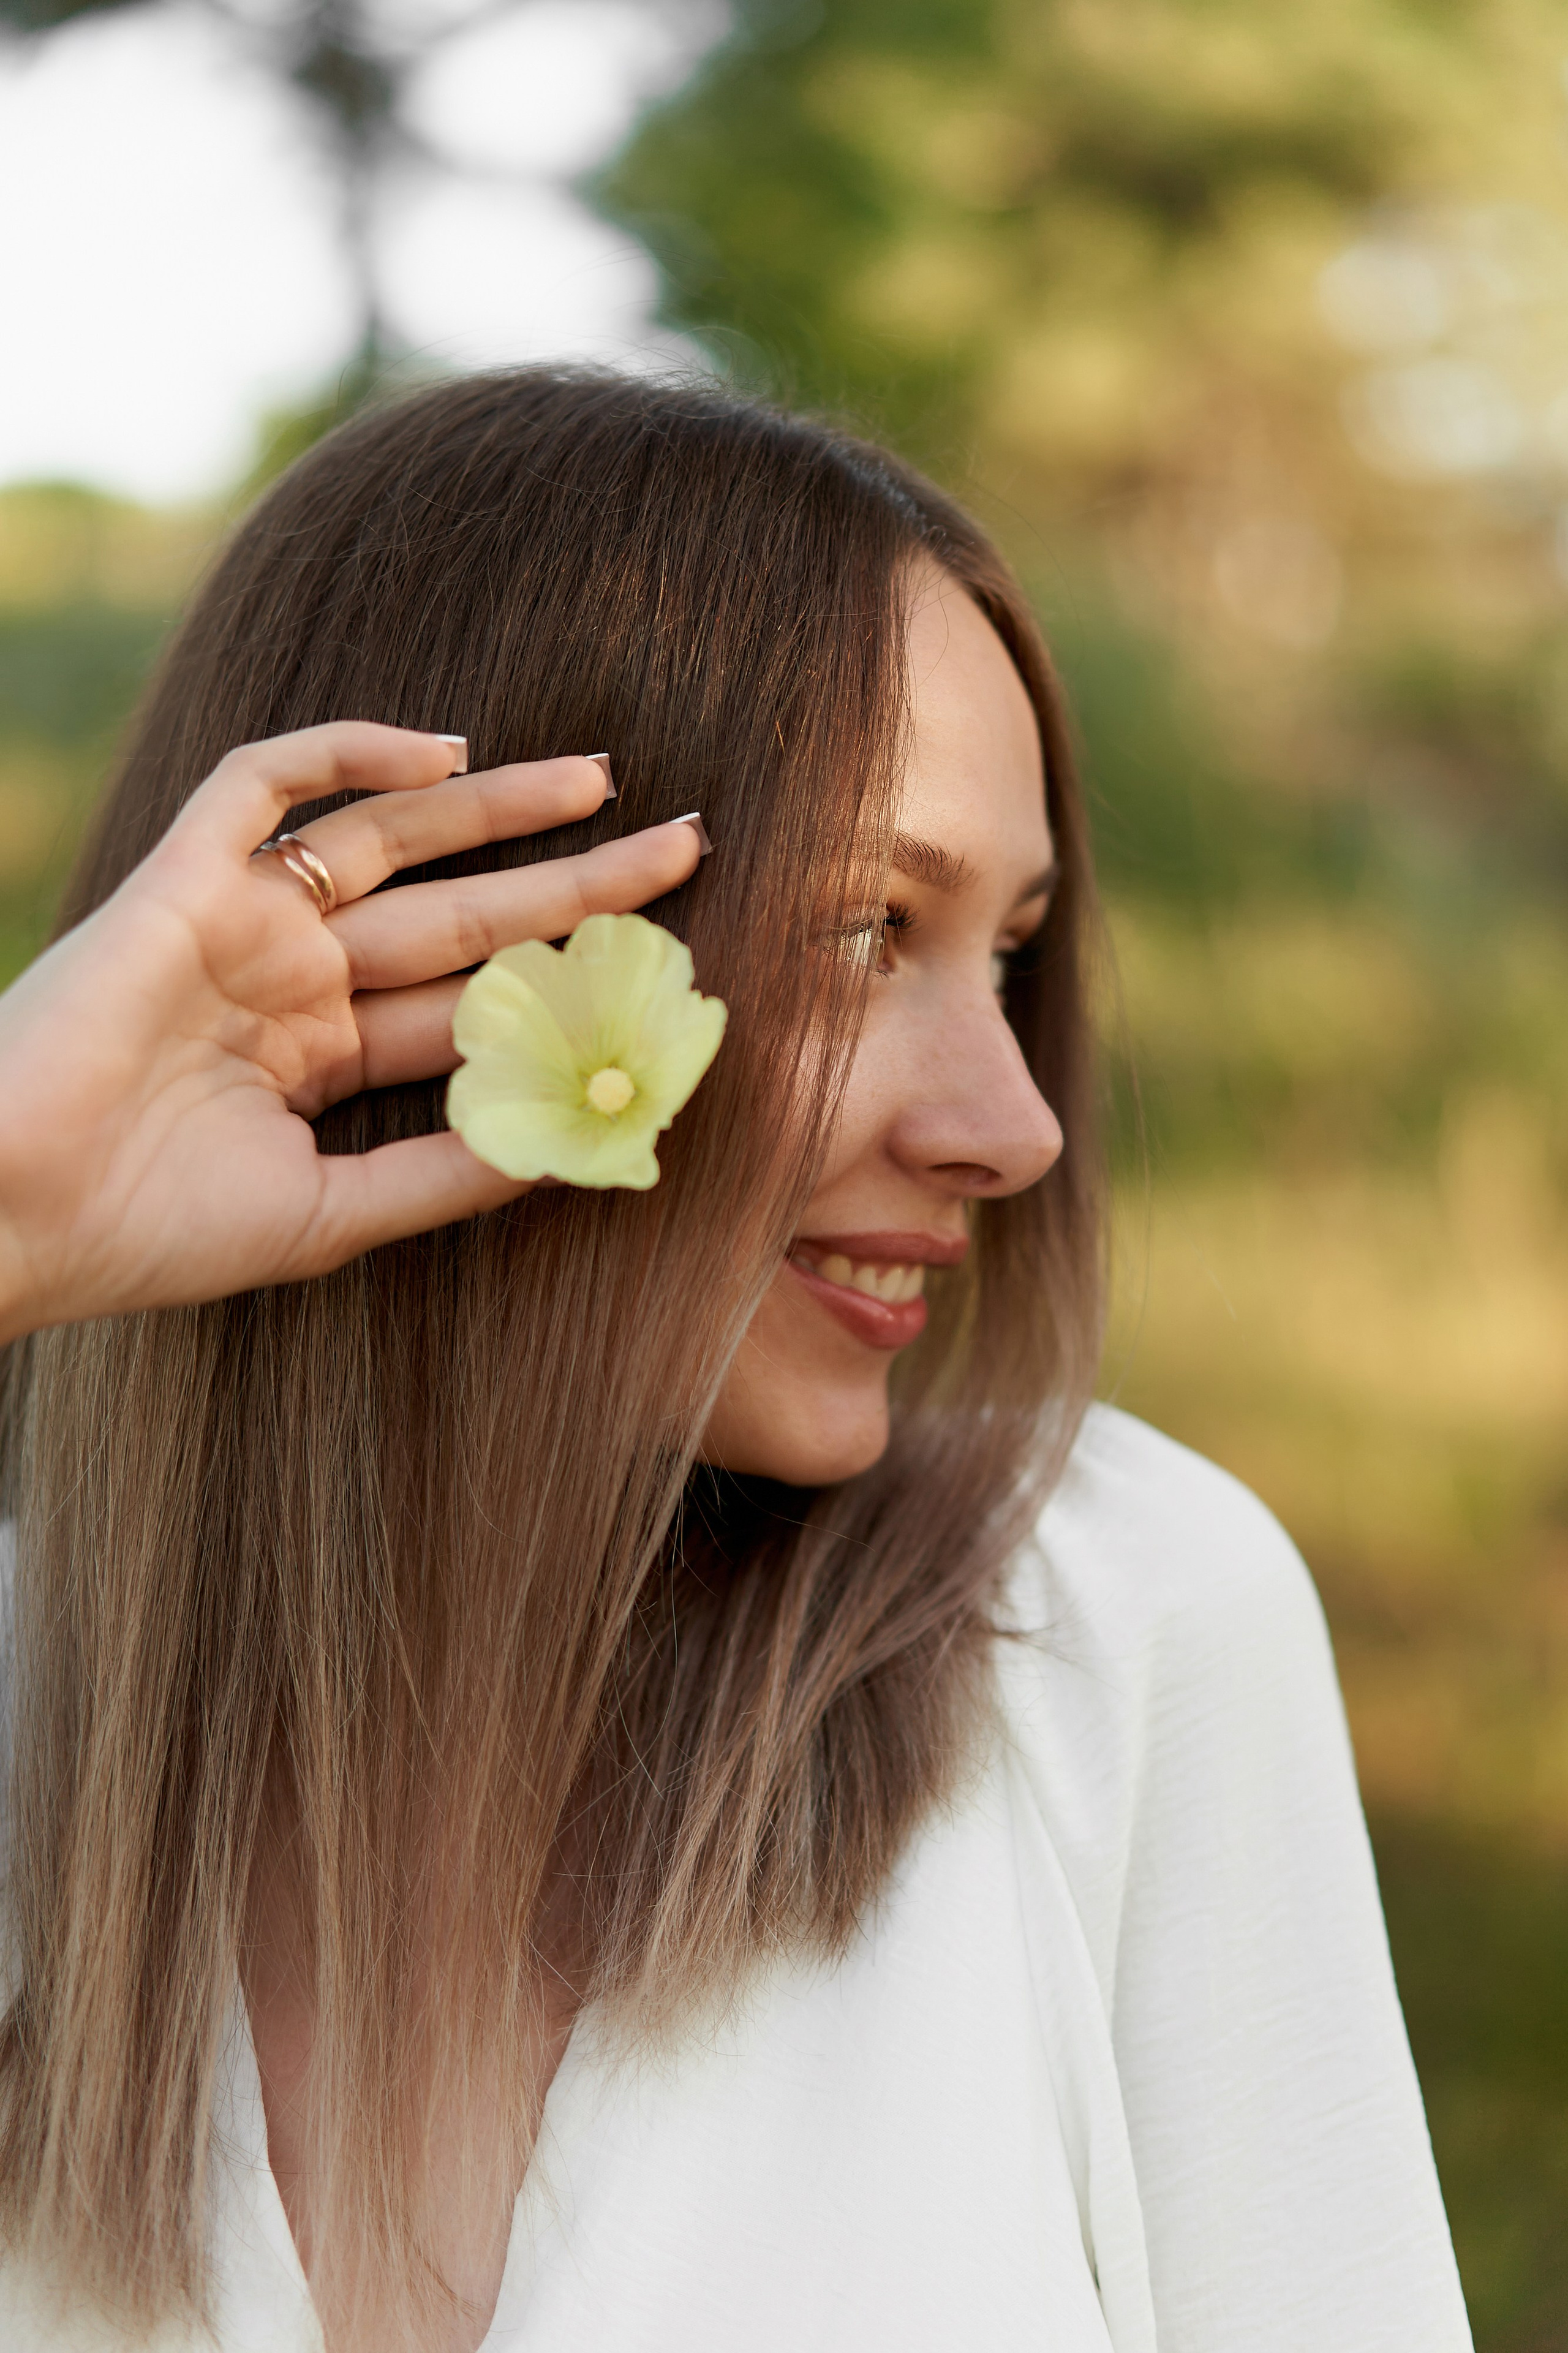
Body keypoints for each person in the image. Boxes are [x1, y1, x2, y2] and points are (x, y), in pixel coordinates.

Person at [0, 371, 1472, 2353]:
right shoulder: (32, 1727)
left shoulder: (1107, 1623)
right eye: (870, 925)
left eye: (1013, 954)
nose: (1017, 1125)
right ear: (448, 951)